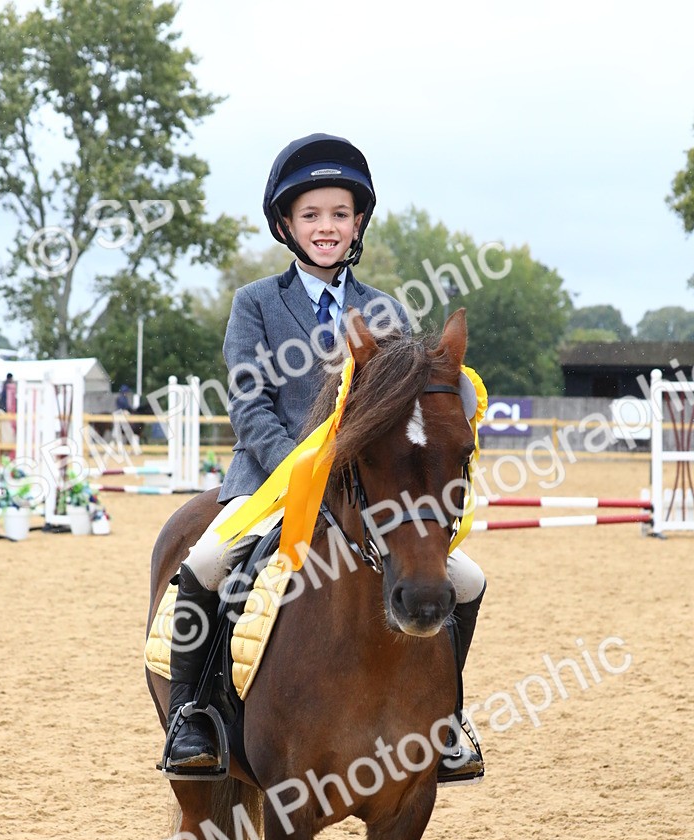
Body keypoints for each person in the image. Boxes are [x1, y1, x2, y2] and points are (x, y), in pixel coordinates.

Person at [161, 133, 486, 784]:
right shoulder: (255, 304)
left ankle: (445, 718)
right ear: (286, 225)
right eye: (311, 215)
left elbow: (404, 415)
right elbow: (249, 402)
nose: (326, 227)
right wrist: (298, 471)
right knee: (205, 563)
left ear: (358, 222)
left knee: (468, 578)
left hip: (361, 493)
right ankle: (195, 715)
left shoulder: (385, 311)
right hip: (265, 483)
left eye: (339, 214)